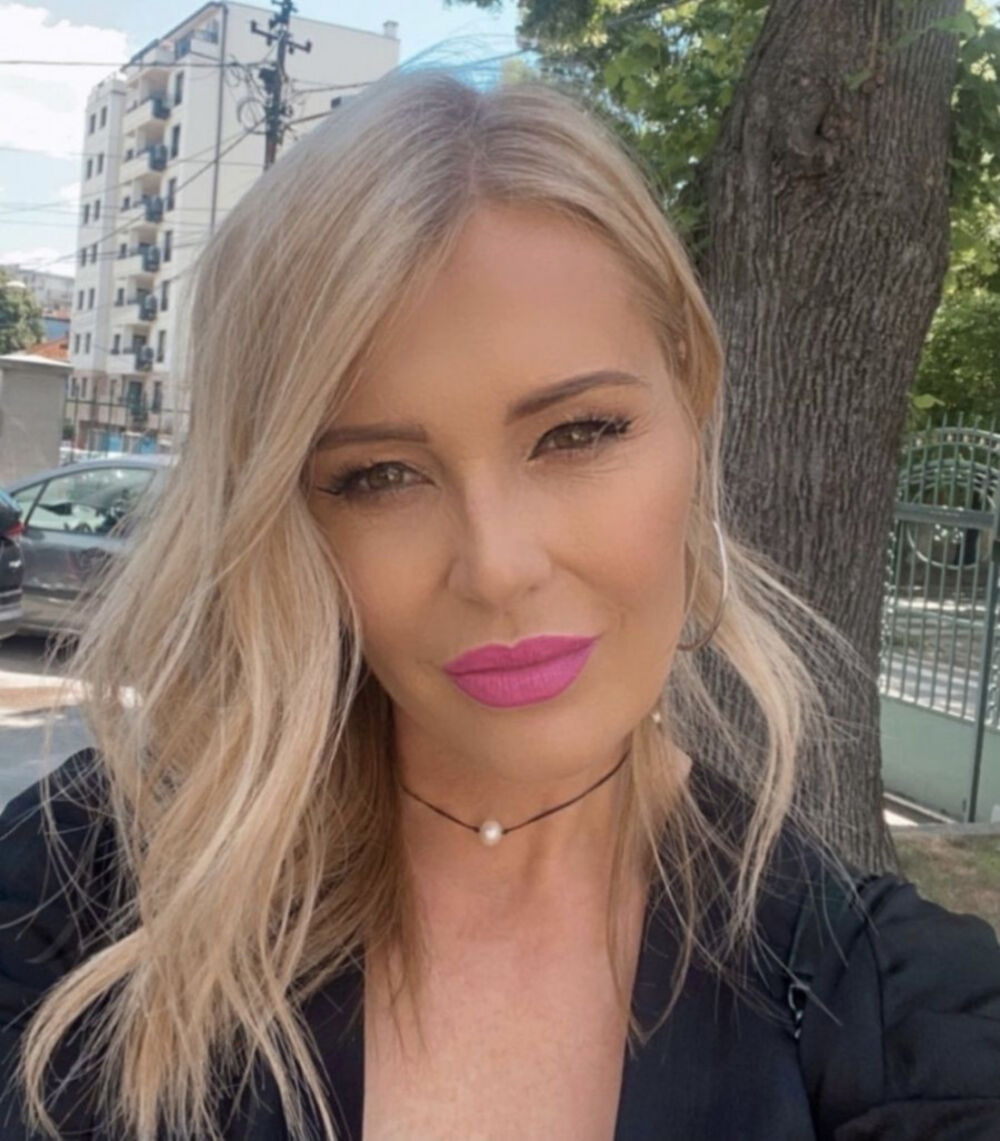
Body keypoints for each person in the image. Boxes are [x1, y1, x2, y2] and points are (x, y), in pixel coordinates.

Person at [1, 65, 999, 1141]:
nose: (495, 565)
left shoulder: (899, 1017)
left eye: (577, 433)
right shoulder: (76, 903)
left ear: (694, 405)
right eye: (379, 474)